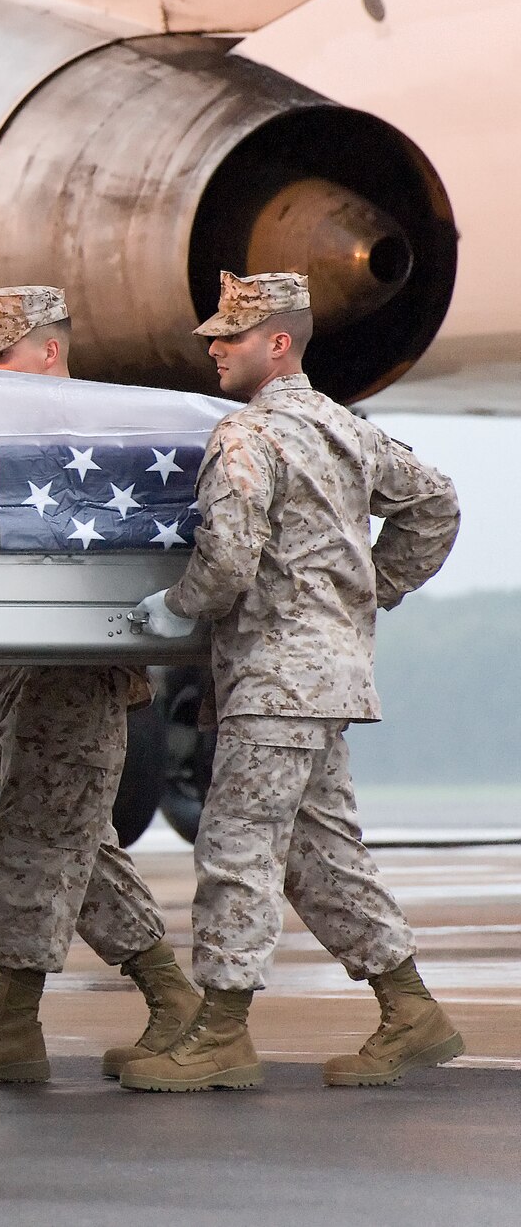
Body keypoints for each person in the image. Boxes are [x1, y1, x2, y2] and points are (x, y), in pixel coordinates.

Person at [121, 271, 462, 1093]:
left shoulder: (247, 438)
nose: (213, 347)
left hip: (275, 678)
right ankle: (410, 1008)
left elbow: (229, 560)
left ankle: (224, 1029)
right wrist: (372, 586)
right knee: (320, 854)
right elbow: (437, 503)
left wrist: (177, 608)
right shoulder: (345, 431)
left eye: (229, 337)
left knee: (237, 843)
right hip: (329, 675)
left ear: (277, 342)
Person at [0, 286, 200, 1082]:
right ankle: (168, 1000)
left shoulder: (100, 442)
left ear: (48, 351)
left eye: (2, 355)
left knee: (36, 835)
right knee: (70, 840)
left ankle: (15, 1019)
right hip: (8, 672)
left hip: (73, 675)